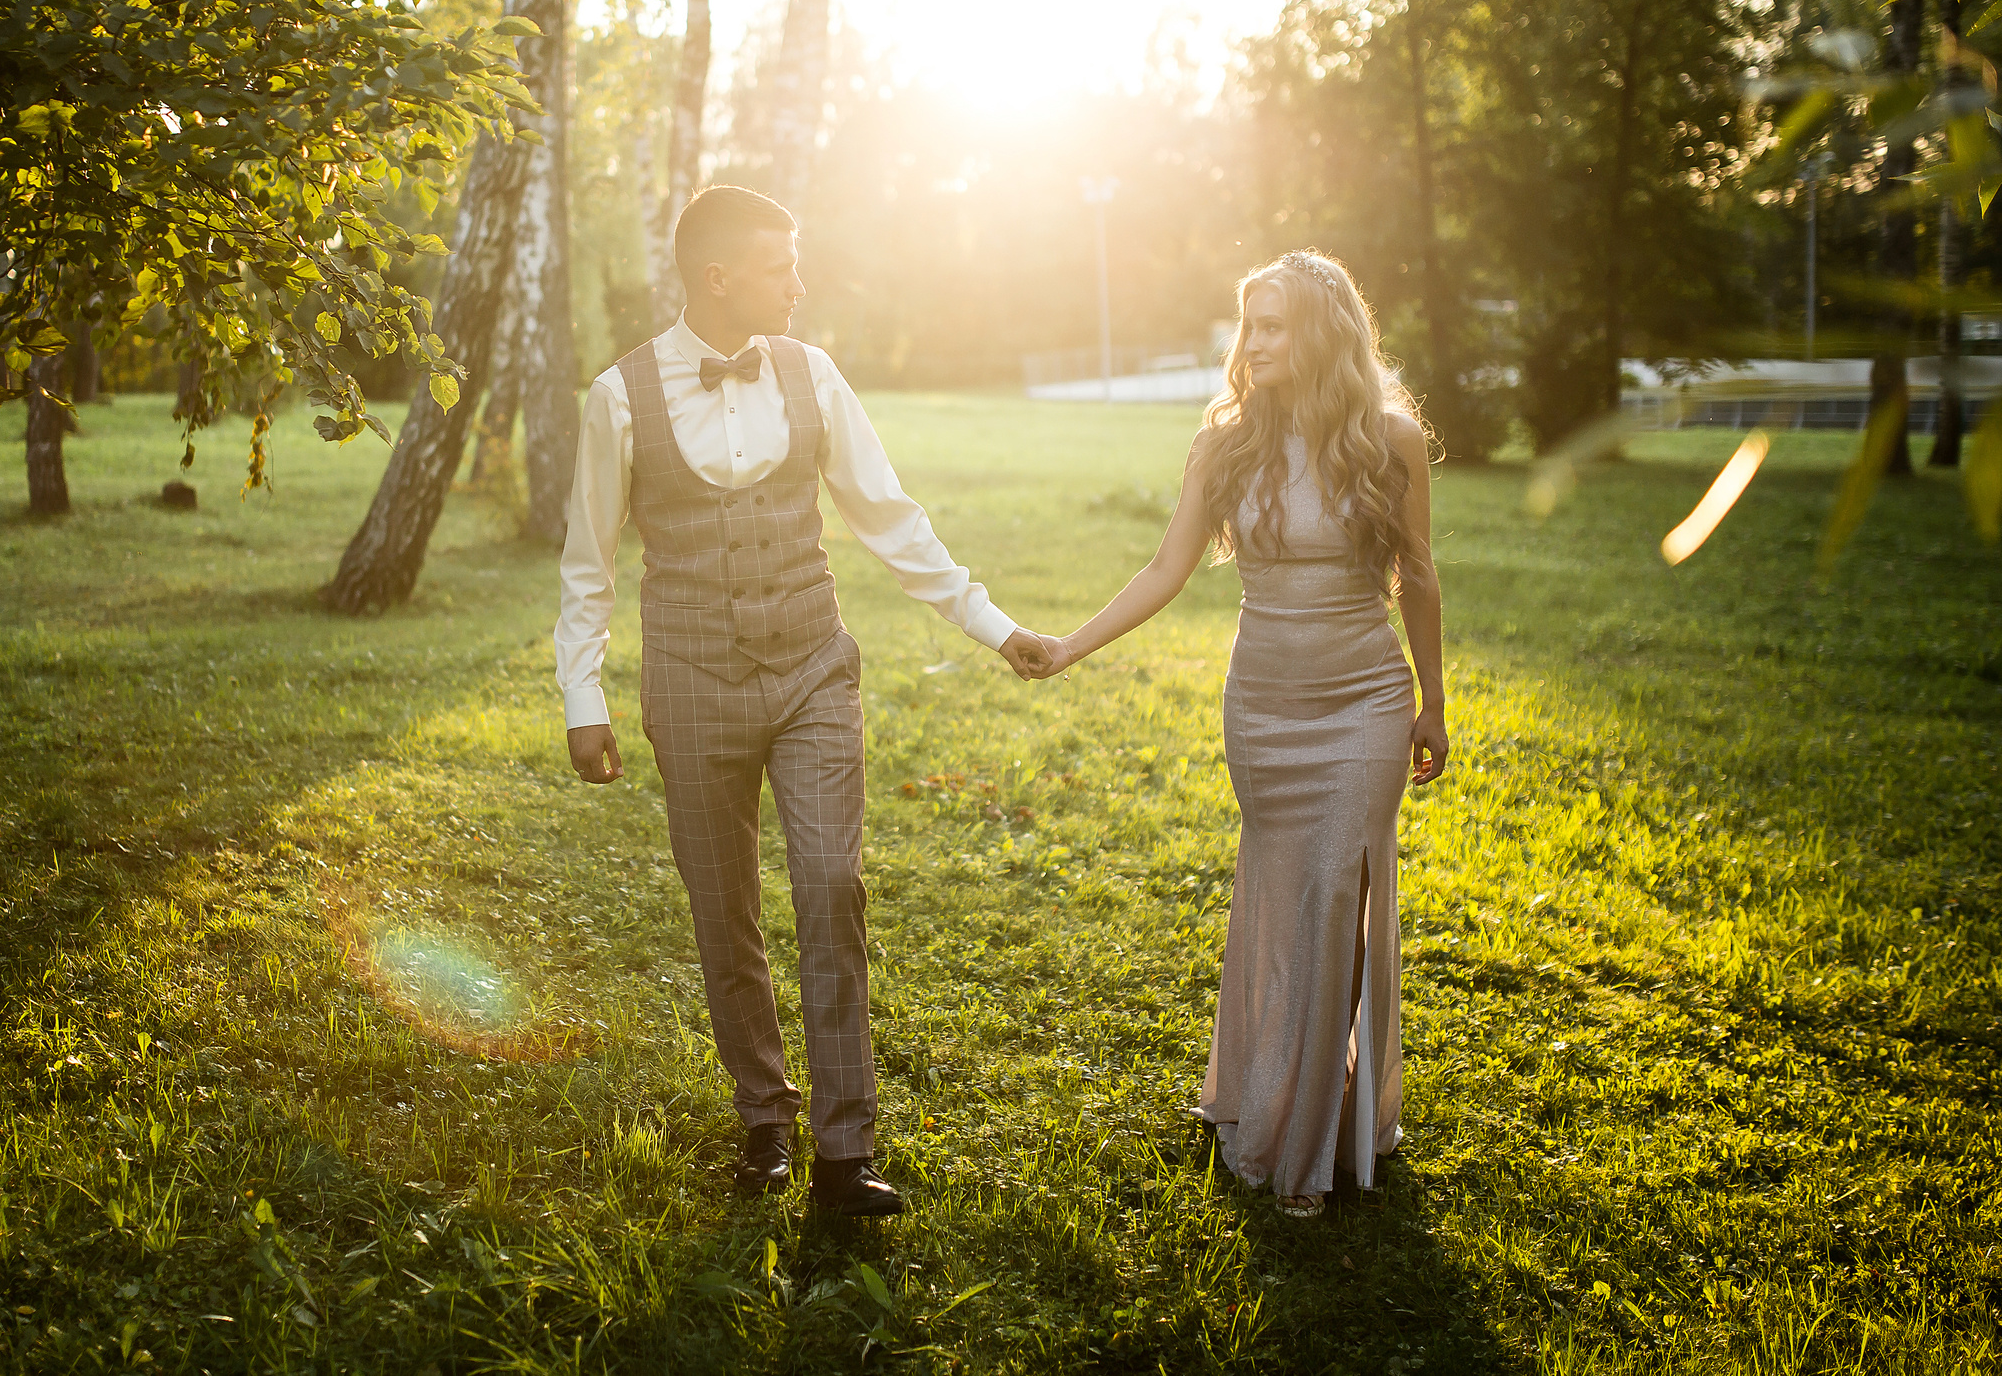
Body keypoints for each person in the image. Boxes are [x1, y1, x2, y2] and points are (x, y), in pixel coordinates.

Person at [557, 185, 1048, 1216]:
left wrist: (996, 628)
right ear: (717, 277)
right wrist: (580, 698)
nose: (801, 283)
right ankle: (762, 1123)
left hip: (813, 669)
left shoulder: (813, 374)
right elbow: (586, 563)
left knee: (831, 886)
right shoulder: (618, 397)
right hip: (689, 684)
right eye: (784, 266)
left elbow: (888, 516)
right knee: (721, 909)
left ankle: (842, 1152)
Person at [1013, 250, 1448, 1217]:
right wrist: (1067, 644)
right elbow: (1165, 571)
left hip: (1368, 703)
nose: (1252, 343)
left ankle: (1317, 1129)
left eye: (1275, 324)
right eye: (1249, 325)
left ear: (1326, 332)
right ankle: (1277, 1094)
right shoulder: (1227, 446)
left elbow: (1417, 577)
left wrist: (1435, 701)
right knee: (1286, 896)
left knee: (1338, 892)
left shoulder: (1390, 438)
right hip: (1265, 709)